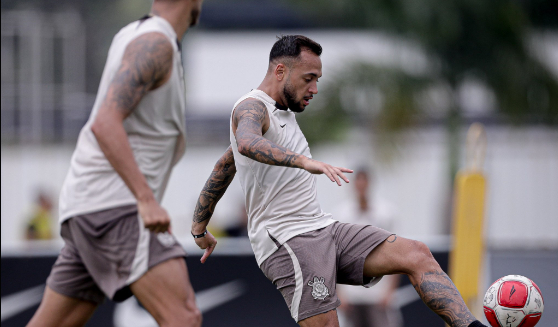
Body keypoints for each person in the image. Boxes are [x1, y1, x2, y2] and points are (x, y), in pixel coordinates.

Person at [191, 35, 488, 327]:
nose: (315, 88)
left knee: (417, 254)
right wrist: (304, 161)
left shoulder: (281, 114)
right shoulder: (250, 107)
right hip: (288, 240)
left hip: (323, 229)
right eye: (309, 78)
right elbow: (245, 142)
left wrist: (199, 227)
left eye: (317, 79)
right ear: (280, 71)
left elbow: (224, 166)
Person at [27, 1, 204, 326]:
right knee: (184, 317)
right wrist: (145, 200)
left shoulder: (135, 35)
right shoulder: (156, 43)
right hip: (117, 208)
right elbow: (106, 122)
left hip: (91, 206)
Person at [336, 169, 402, 327]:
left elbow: (398, 254)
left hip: (378, 295)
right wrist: (339, 294)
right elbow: (335, 256)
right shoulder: (342, 213)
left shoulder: (386, 213)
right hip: (351, 295)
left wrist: (389, 291)